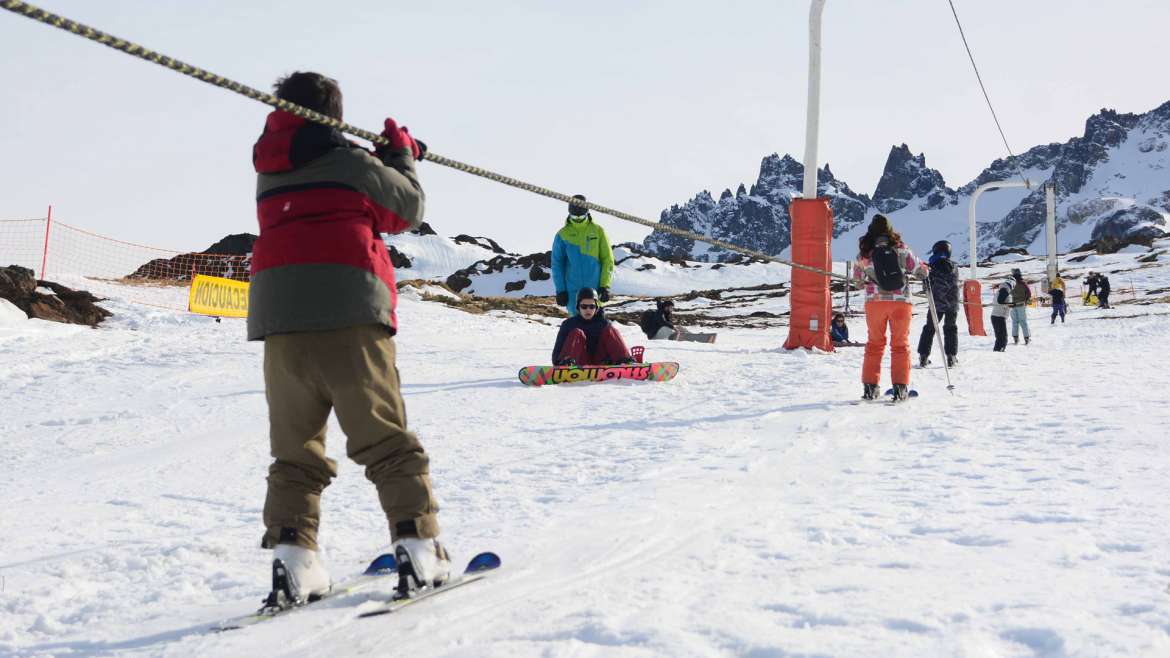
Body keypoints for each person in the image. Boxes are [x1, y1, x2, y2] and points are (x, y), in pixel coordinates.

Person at [249, 71, 448, 603]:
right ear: (334, 114)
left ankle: (295, 561)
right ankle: (418, 547)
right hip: (350, 310)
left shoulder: (270, 164)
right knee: (384, 437)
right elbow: (406, 209)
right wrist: (400, 155)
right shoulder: (351, 162)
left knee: (296, 451)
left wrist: (375, 156)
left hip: (281, 322)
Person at [850, 214, 928, 401]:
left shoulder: (864, 254)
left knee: (874, 345)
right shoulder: (901, 249)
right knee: (900, 345)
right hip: (900, 302)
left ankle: (870, 387)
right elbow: (920, 271)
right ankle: (900, 388)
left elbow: (858, 282)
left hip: (874, 303)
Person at [552, 195, 615, 317]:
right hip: (573, 295)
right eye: (574, 216)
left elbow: (607, 260)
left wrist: (605, 286)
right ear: (569, 213)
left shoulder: (598, 231)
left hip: (596, 293)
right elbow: (557, 264)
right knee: (576, 333)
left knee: (598, 332)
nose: (578, 219)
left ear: (587, 212)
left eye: (581, 216)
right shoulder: (562, 234)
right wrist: (561, 290)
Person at [552, 288, 633, 365]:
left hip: (600, 361)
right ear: (578, 307)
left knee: (610, 330)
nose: (588, 310)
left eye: (592, 306)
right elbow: (556, 354)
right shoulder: (568, 324)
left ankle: (625, 362)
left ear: (596, 307)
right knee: (577, 332)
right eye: (584, 306)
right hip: (578, 362)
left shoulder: (603, 323)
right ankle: (565, 365)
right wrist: (559, 361)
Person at [916, 240, 960, 368]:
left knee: (929, 328)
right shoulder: (954, 266)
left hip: (936, 303)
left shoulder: (931, 267)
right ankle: (951, 357)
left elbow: (926, 286)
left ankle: (923, 356)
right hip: (952, 303)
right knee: (951, 328)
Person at [639, 299, 717, 343]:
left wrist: (676, 328)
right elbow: (662, 322)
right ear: (666, 307)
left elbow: (667, 324)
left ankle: (694, 335)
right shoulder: (659, 312)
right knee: (670, 328)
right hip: (654, 336)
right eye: (670, 307)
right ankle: (679, 336)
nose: (672, 309)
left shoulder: (665, 313)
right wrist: (673, 327)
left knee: (679, 327)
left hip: (661, 332)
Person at [1010, 268, 1032, 345]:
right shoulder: (1023, 283)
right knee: (1023, 322)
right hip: (1021, 304)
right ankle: (1026, 338)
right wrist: (1026, 300)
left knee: (1014, 322)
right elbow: (1029, 294)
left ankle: (1015, 338)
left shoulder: (1011, 283)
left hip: (1012, 305)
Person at [990, 278, 1012, 351]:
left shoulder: (1000, 291)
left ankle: (997, 351)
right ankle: (999, 352)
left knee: (1000, 337)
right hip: (999, 316)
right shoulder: (1005, 291)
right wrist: (1009, 304)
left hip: (996, 316)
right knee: (1003, 338)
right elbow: (1001, 301)